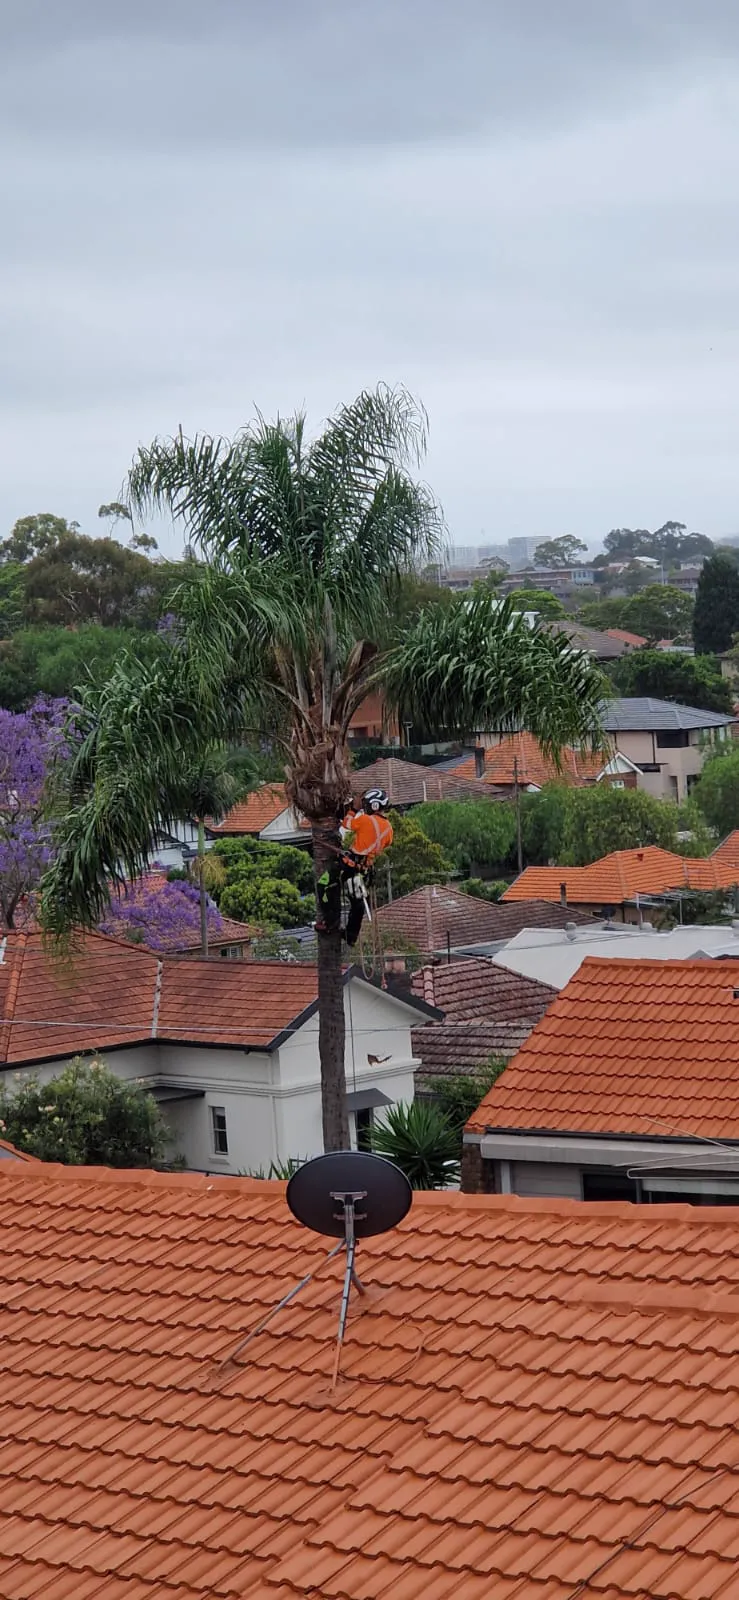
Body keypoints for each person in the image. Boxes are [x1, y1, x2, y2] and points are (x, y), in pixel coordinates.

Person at [315, 787, 394, 945]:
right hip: (363, 871)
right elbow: (384, 844)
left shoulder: (366, 820)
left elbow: (346, 823)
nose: (364, 807)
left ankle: (329, 923)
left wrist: (353, 809)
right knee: (357, 903)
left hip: (348, 866)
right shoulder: (389, 829)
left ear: (375, 806)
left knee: (323, 885)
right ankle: (351, 936)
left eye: (366, 804)